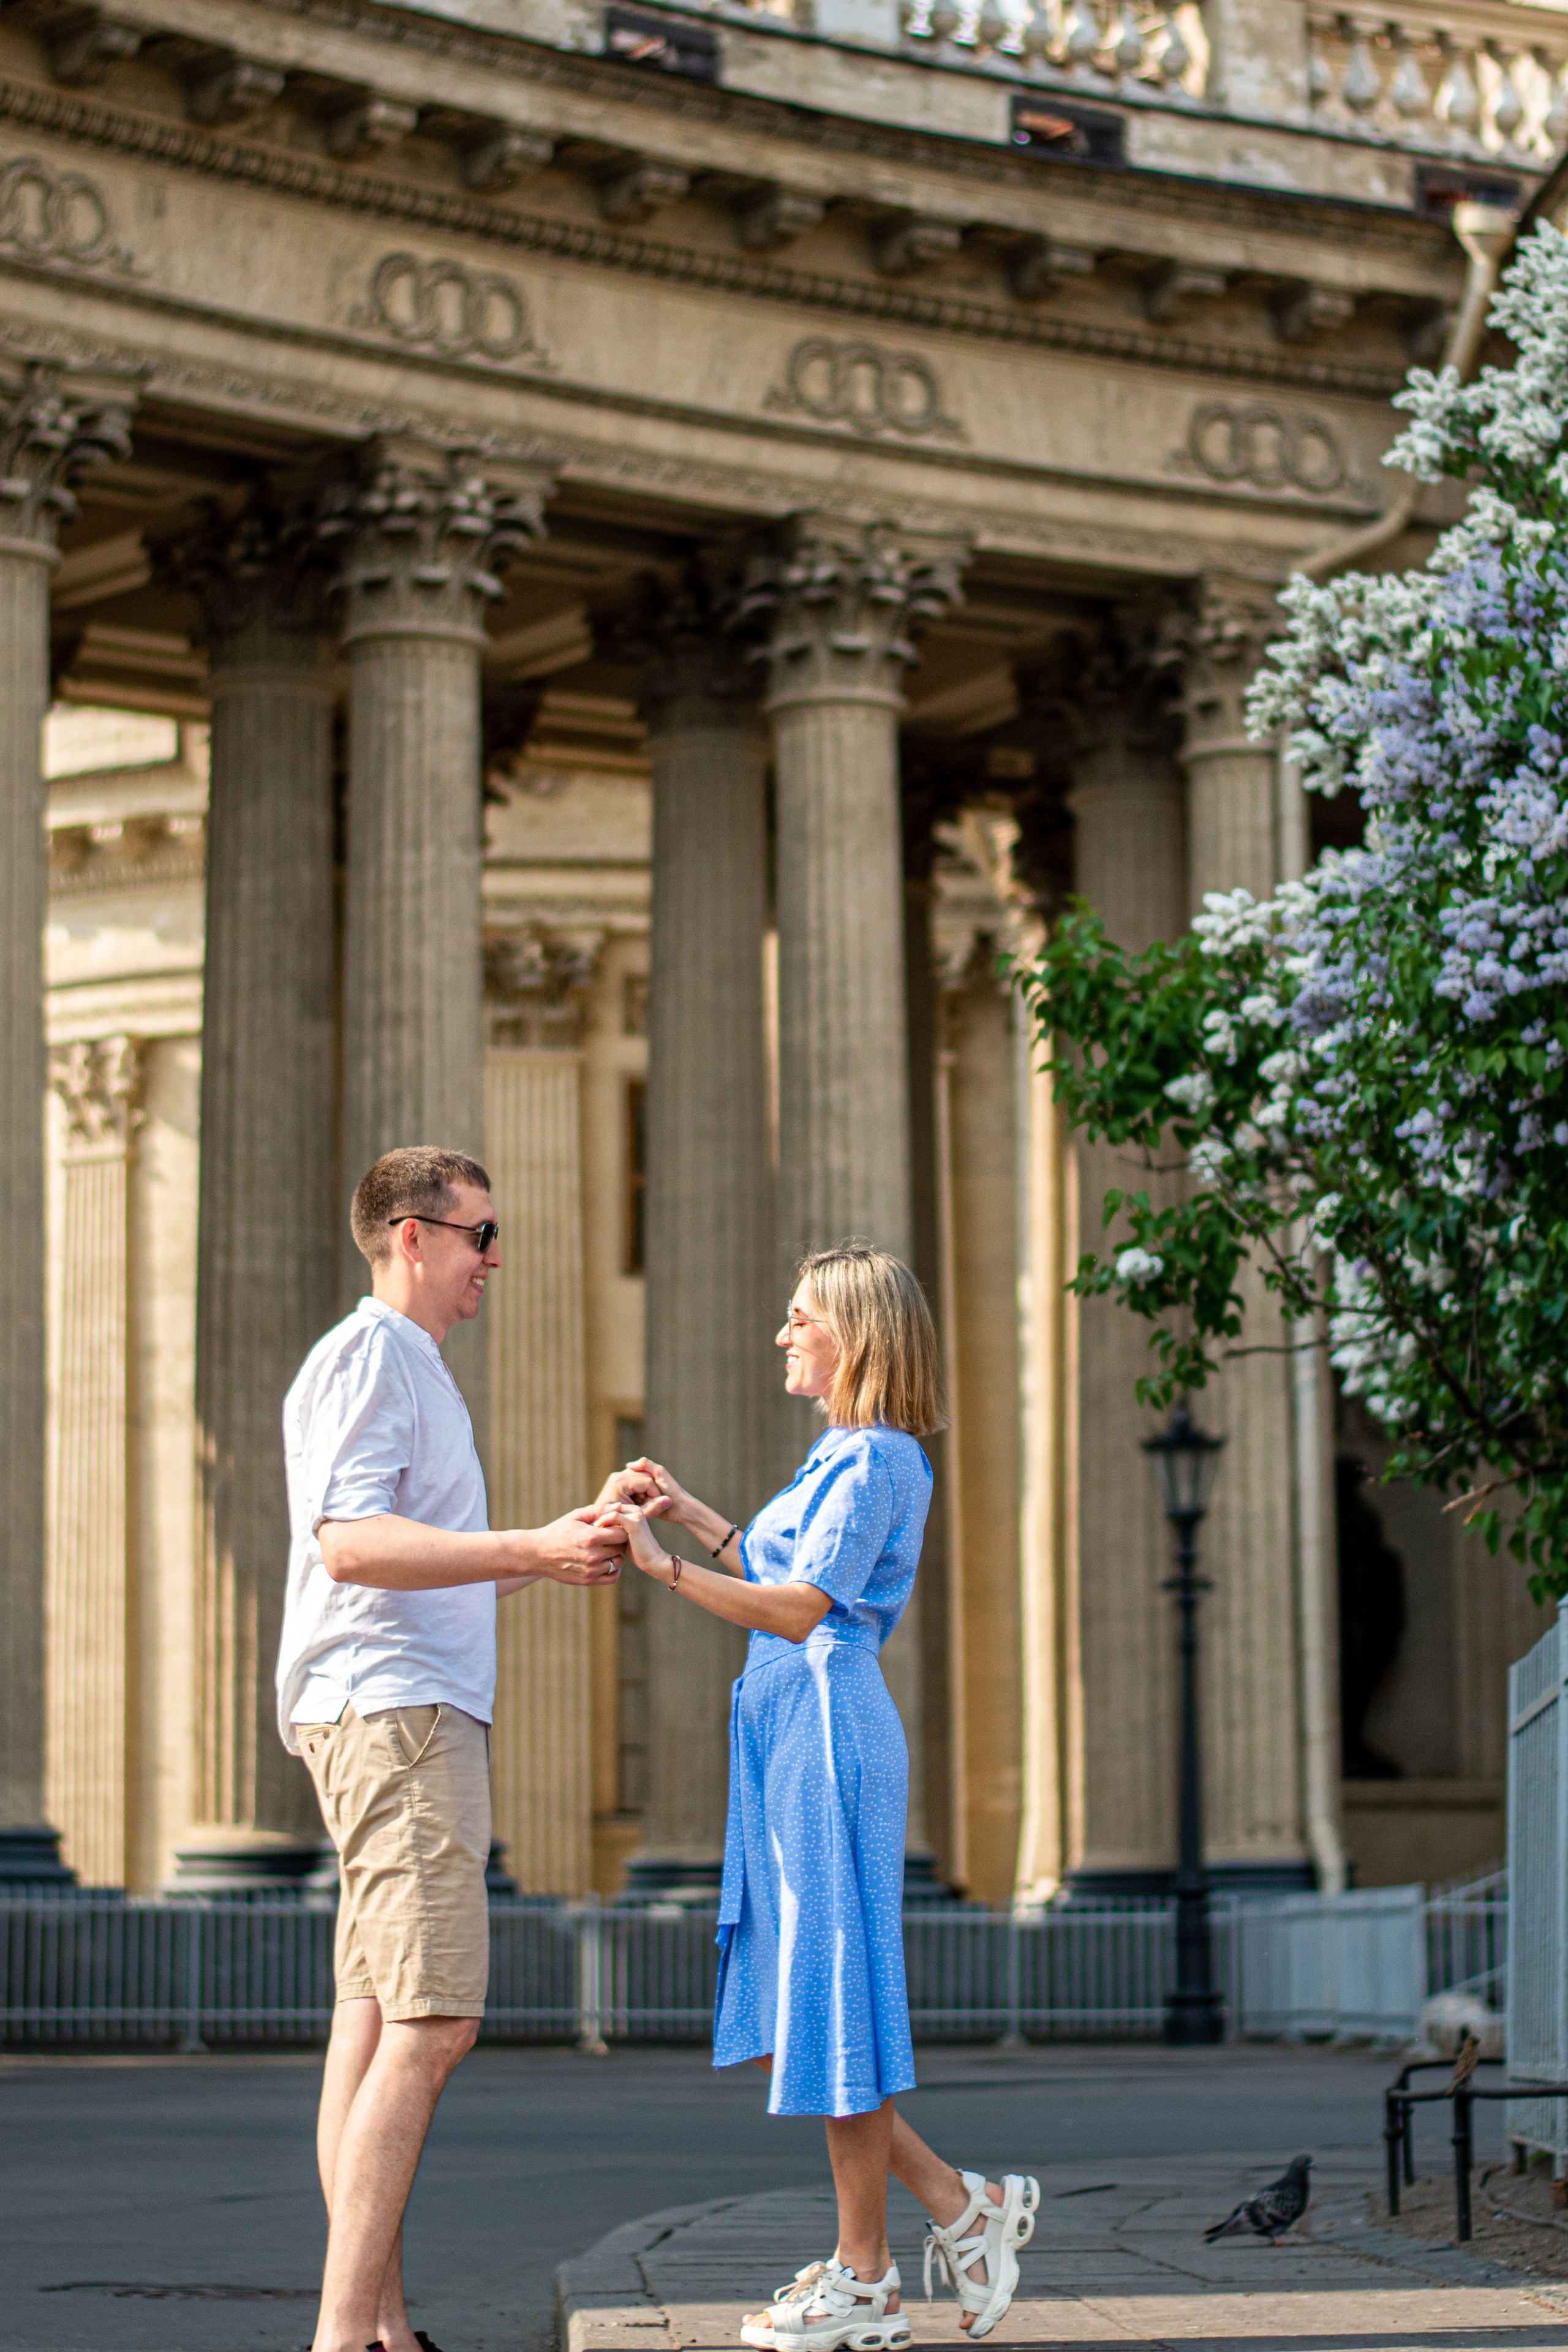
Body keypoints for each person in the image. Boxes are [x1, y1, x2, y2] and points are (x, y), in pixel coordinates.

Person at [612, 1242, 1039, 2352]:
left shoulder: (881, 1459)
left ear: (852, 1332)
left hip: (826, 1725)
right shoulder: (836, 1460)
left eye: (800, 1316)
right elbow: (771, 1560)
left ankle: (871, 2274)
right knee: (797, 2005)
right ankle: (957, 2209)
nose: (783, 1333)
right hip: (789, 1727)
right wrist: (694, 1512)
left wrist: (661, 1568)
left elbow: (801, 1608)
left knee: (831, 2001)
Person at [278, 1145, 628, 2352]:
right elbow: (351, 1545)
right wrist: (529, 1547)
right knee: (431, 2023)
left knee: (375, 2020)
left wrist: (553, 1544)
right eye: (479, 1233)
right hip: (400, 1719)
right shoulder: (379, 1356)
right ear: (410, 1237)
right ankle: (344, 2339)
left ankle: (377, 2329)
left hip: (385, 1701)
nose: (493, 1258)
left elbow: (410, 1569)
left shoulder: (397, 1366)